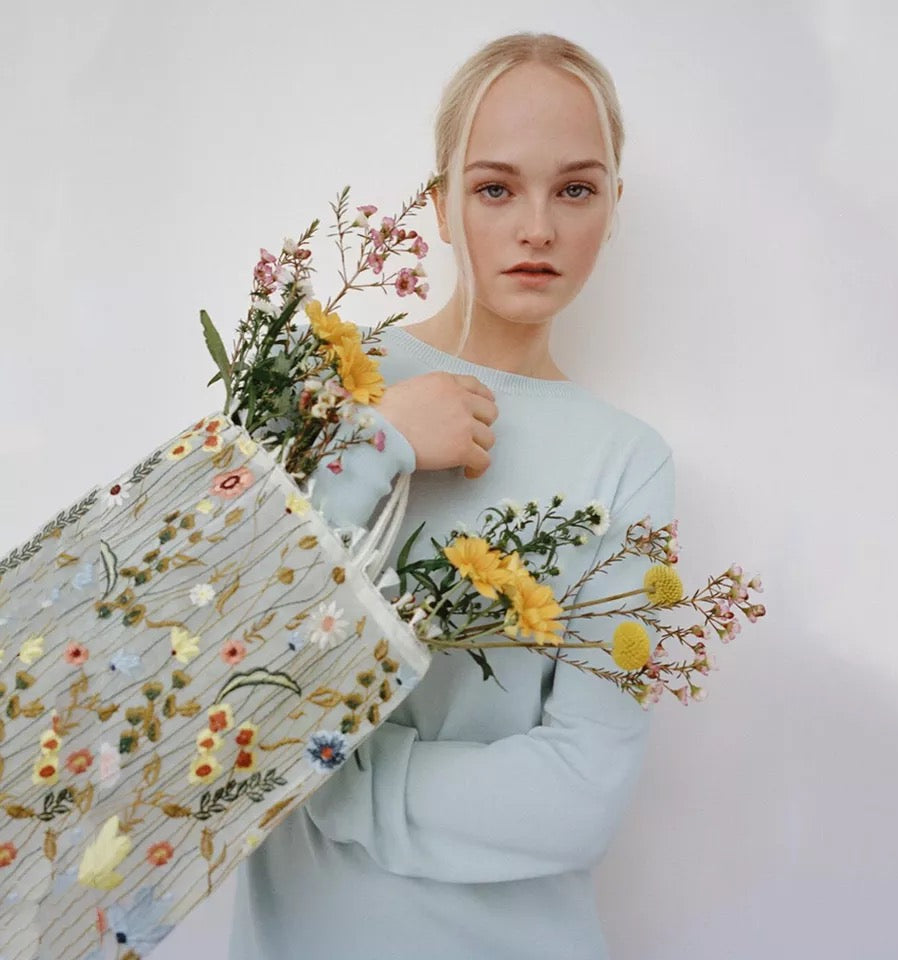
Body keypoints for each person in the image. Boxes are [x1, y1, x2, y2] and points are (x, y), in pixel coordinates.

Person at [227, 31, 675, 960]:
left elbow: (581, 791)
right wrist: (373, 441)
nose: (539, 228)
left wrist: (329, 774)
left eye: (577, 189)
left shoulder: (627, 462)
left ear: (614, 206)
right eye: (496, 187)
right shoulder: (332, 372)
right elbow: (236, 643)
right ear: (439, 204)